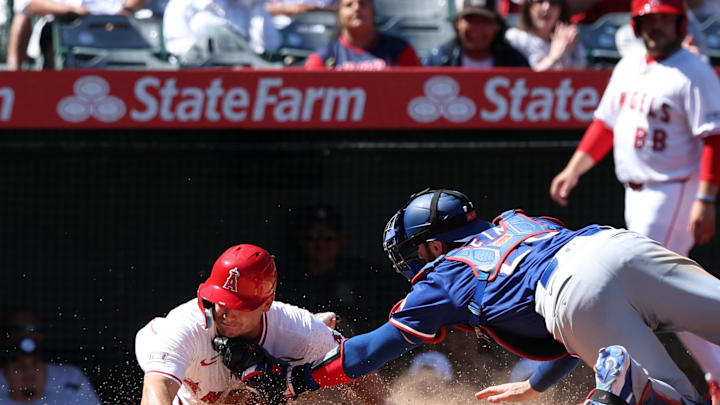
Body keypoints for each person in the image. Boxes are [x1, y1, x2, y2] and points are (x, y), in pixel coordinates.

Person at [228, 188, 720, 405]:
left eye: (413, 253)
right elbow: (590, 290)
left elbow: (369, 350)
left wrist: (300, 380)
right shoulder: (520, 220)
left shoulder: (444, 272)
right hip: (615, 244)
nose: (413, 265)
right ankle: (637, 388)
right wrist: (537, 386)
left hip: (569, 292)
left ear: (435, 244)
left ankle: (644, 393)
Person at [550, 0, 720, 400]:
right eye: (648, 19)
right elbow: (605, 123)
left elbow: (712, 139)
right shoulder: (628, 65)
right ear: (636, 23)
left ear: (679, 22)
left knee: (657, 294)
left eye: (663, 18)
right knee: (663, 296)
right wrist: (574, 168)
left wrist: (706, 199)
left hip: (673, 189)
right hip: (635, 191)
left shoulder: (694, 71)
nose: (655, 26)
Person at [135, 243, 389, 405]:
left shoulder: (295, 329)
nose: (227, 312)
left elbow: (356, 367)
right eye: (221, 301)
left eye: (240, 304)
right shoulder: (185, 326)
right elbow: (157, 389)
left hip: (269, 371)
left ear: (266, 304)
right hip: (185, 386)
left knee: (261, 390)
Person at [277, 205, 404, 335]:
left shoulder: (362, 274)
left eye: (328, 238)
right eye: (312, 238)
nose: (321, 244)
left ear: (340, 238)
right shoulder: (288, 278)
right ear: (301, 239)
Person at [7, 0, 146, 70]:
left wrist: (127, 11)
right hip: (64, 30)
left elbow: (133, 6)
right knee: (52, 30)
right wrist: (72, 11)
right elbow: (29, 5)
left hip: (122, 31)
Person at [0, 309, 101, 404]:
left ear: (41, 334)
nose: (26, 335)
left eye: (32, 329)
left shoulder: (71, 377)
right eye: (18, 329)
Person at [303, 0, 421, 70]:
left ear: (374, 11)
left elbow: (417, 85)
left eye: (363, 4)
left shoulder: (399, 49)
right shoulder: (323, 56)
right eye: (349, 5)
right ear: (339, 13)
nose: (357, 9)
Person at [163, 0, 282, 63]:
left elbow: (266, 48)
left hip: (241, 80)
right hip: (198, 81)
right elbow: (178, 48)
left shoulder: (249, 6)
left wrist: (255, 6)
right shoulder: (182, 4)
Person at [424, 0, 529, 68]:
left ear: (497, 26)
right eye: (470, 20)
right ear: (457, 23)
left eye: (485, 21)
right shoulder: (438, 61)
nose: (477, 28)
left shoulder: (515, 63)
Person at [505, 0, 586, 71]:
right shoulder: (515, 38)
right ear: (528, 5)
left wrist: (566, 53)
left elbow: (582, 80)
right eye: (540, 1)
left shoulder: (570, 40)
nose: (546, 7)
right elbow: (521, 81)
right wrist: (553, 57)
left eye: (554, 1)